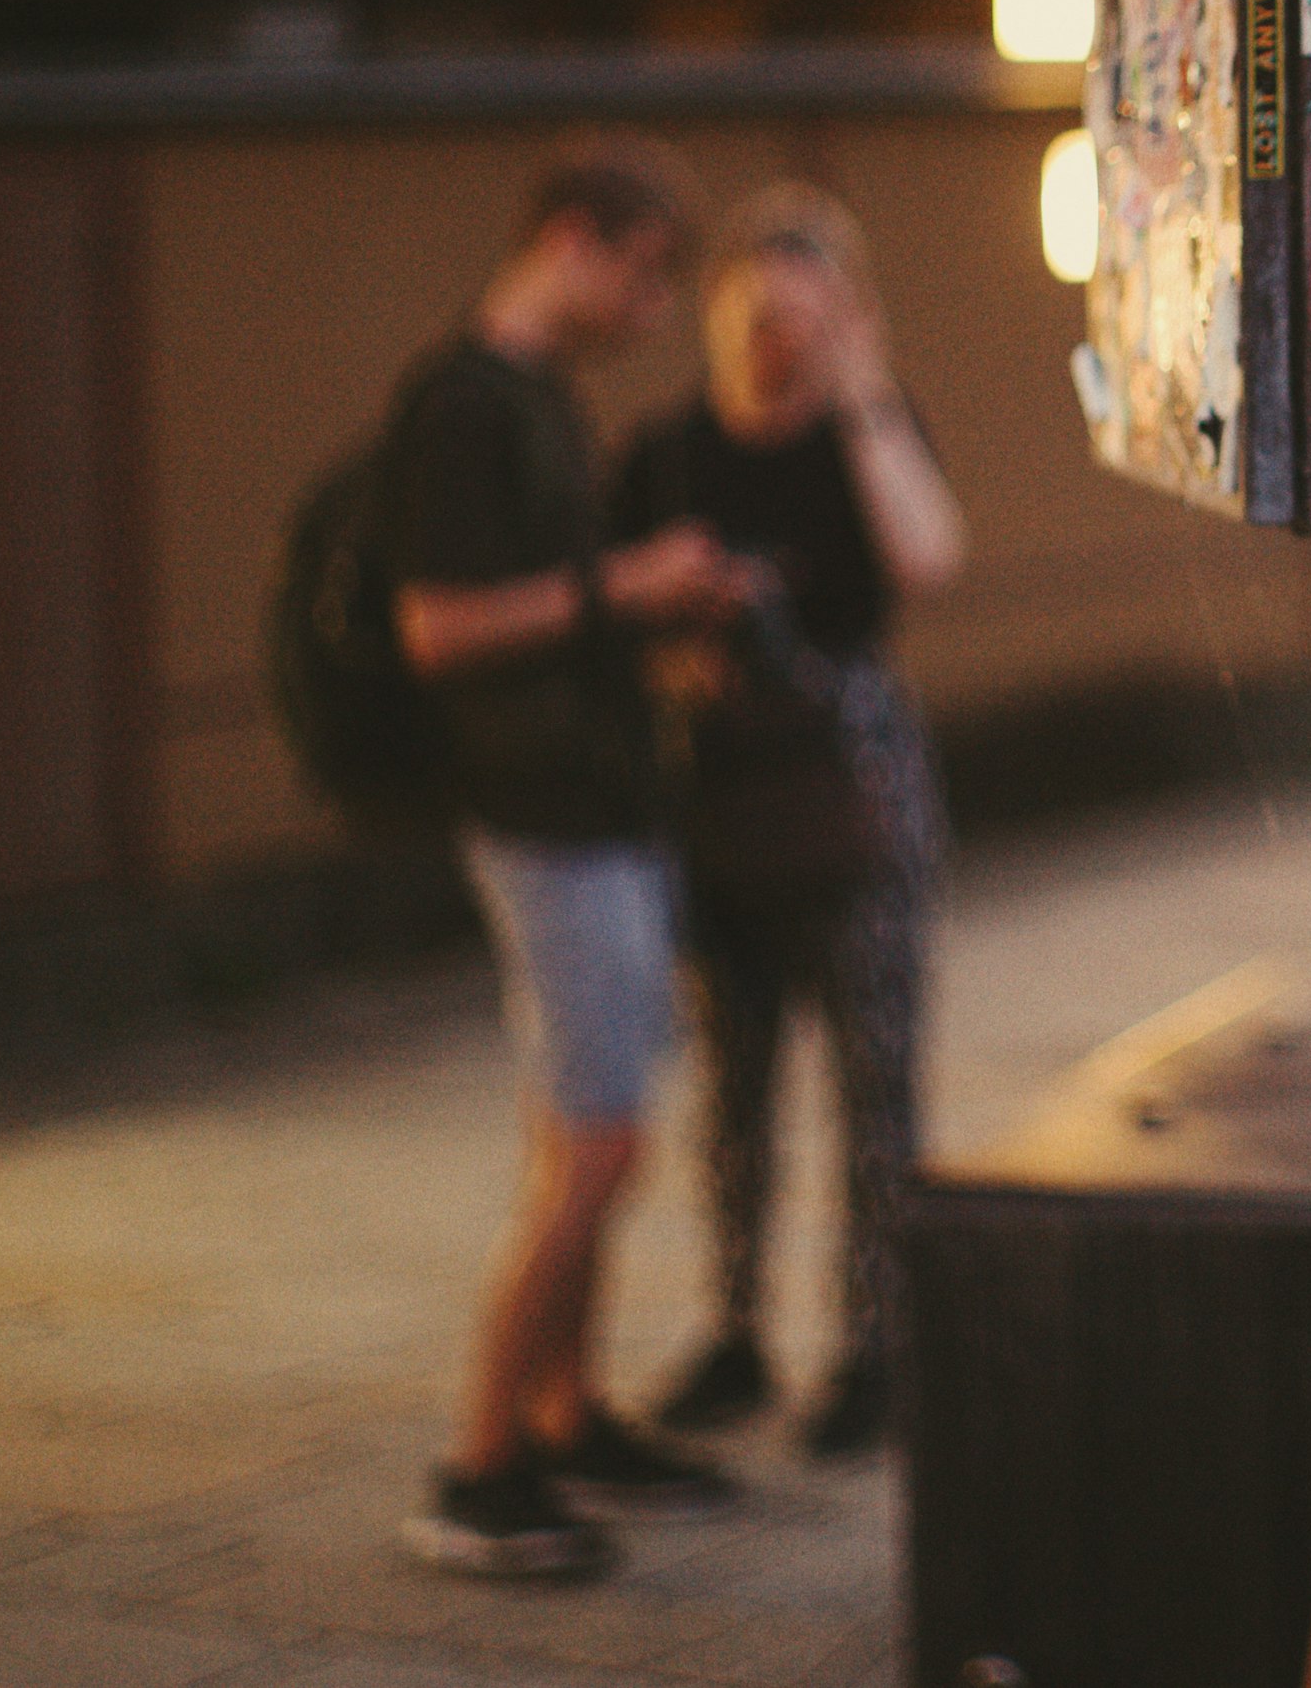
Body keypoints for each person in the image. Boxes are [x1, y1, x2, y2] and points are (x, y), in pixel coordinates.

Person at [383, 133, 757, 1578]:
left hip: (596, 802)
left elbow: (553, 613)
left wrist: (656, 637)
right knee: (597, 1147)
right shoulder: (464, 405)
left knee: (586, 1132)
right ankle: (478, 1466)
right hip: (540, 817)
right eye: (652, 276)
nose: (656, 314)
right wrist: (637, 583)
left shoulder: (538, 398)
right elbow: (442, 626)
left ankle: (567, 1413)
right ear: (579, 240)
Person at [618, 186, 966, 1458]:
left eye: (806, 320)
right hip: (718, 810)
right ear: (714, 312)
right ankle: (734, 1334)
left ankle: (875, 1350)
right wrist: (676, 659)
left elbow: (928, 561)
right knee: (732, 1089)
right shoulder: (662, 455)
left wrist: (867, 389)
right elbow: (613, 623)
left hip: (858, 807)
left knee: (878, 1090)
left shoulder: (862, 436)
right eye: (757, 313)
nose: (777, 341)